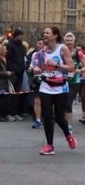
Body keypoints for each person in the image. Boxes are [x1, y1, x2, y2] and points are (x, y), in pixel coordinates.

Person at [31, 26, 77, 156]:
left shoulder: (62, 49)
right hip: (46, 86)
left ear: (55, 35)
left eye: (47, 33)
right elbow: (39, 67)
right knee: (47, 116)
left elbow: (71, 68)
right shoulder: (42, 52)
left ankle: (68, 135)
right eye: (43, 32)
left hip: (60, 87)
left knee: (59, 117)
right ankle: (49, 145)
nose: (44, 34)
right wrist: (38, 70)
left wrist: (56, 65)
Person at [63, 32, 85, 132]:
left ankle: (69, 125)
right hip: (61, 81)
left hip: (74, 82)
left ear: (74, 41)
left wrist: (79, 71)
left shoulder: (78, 53)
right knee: (62, 103)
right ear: (64, 41)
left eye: (71, 40)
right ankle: (63, 121)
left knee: (68, 103)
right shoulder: (61, 52)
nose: (69, 42)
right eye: (67, 40)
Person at [6, 28, 26, 120]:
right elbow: (8, 59)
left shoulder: (22, 46)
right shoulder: (10, 45)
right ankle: (8, 112)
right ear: (16, 36)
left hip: (20, 72)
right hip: (13, 72)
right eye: (20, 35)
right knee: (11, 94)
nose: (22, 37)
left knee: (17, 94)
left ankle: (14, 112)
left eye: (22, 35)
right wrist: (11, 70)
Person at [27, 38, 44, 129]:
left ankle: (49, 117)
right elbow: (31, 66)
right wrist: (31, 69)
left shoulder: (47, 54)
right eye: (37, 43)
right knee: (36, 100)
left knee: (48, 101)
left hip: (48, 79)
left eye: (40, 44)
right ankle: (38, 120)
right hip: (37, 79)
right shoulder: (35, 54)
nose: (38, 45)